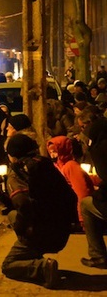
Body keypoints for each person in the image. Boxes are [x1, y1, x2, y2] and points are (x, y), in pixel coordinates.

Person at [1, 134, 75, 288]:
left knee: (8, 265)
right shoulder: (46, 164)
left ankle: (42, 268)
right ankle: (34, 254)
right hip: (62, 231)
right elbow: (71, 197)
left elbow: (23, 205)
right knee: (12, 215)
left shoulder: (17, 173)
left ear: (12, 155)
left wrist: (24, 231)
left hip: (41, 231)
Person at [79, 108, 107, 269]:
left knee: (86, 205)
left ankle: (98, 255)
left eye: (83, 127)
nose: (82, 131)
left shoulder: (100, 147)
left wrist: (99, 191)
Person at [46, 135, 94, 228]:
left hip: (74, 210)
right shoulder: (57, 166)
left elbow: (82, 192)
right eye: (50, 152)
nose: (52, 155)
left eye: (55, 152)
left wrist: (82, 217)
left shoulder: (70, 166)